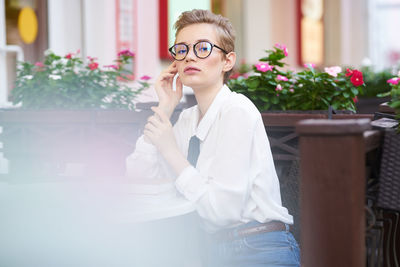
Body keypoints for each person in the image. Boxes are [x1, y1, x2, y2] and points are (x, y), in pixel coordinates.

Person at [126, 9, 300, 267]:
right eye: (182, 50)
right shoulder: (186, 119)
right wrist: (165, 107)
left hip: (260, 248)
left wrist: (171, 151)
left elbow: (222, 212)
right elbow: (139, 175)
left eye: (203, 48)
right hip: (214, 252)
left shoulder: (237, 111)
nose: (190, 57)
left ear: (227, 61)